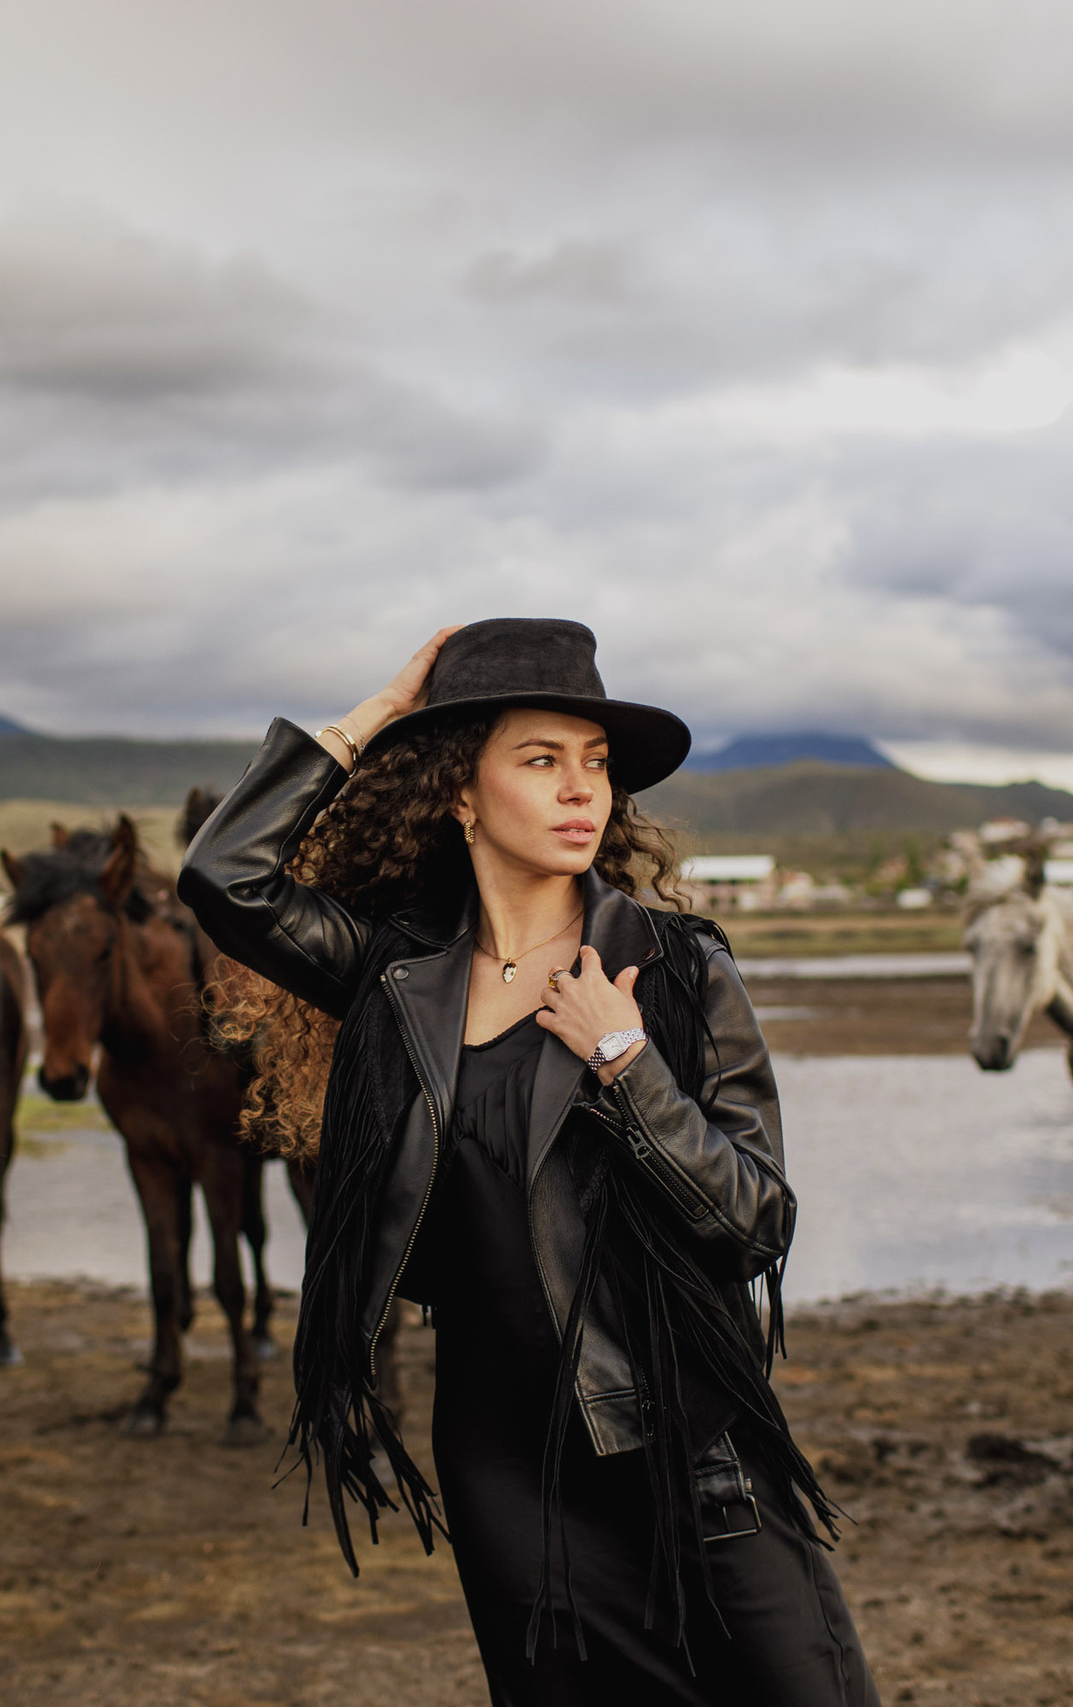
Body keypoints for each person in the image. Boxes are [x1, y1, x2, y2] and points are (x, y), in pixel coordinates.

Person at [180, 618, 879, 1707]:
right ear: (459, 793)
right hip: (506, 1466)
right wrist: (375, 718)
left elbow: (755, 1225)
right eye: (541, 760)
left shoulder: (673, 969)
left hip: (688, 1446)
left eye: (594, 765)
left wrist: (625, 1062)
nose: (579, 791)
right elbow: (227, 877)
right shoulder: (398, 979)